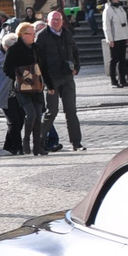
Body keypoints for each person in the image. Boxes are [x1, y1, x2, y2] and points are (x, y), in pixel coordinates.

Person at [35, 10, 84, 152]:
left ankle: (76, 143)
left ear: (62, 21)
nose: (56, 22)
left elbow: (75, 52)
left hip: (67, 77)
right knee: (52, 111)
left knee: (71, 111)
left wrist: (77, 67)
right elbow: (38, 60)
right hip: (51, 79)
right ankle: (39, 142)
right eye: (53, 19)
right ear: (48, 21)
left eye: (59, 19)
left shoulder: (67, 34)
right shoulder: (42, 36)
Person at [3, 22, 47, 155]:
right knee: (31, 114)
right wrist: (18, 76)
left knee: (38, 116)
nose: (33, 36)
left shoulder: (36, 48)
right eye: (31, 33)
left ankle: (38, 147)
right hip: (22, 88)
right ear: (22, 35)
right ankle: (26, 140)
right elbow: (6, 68)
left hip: (37, 87)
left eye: (34, 33)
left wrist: (49, 85)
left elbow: (44, 67)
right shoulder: (14, 49)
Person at [0, 30, 25, 155]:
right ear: (5, 47)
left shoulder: (19, 53)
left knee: (21, 118)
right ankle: (18, 147)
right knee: (13, 121)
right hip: (5, 95)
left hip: (20, 92)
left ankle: (9, 145)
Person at [102, 0, 128, 87]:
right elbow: (106, 26)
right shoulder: (108, 10)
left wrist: (127, 36)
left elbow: (125, 23)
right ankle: (113, 81)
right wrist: (109, 39)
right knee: (114, 60)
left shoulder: (120, 8)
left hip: (122, 36)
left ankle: (123, 80)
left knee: (122, 59)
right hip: (114, 38)